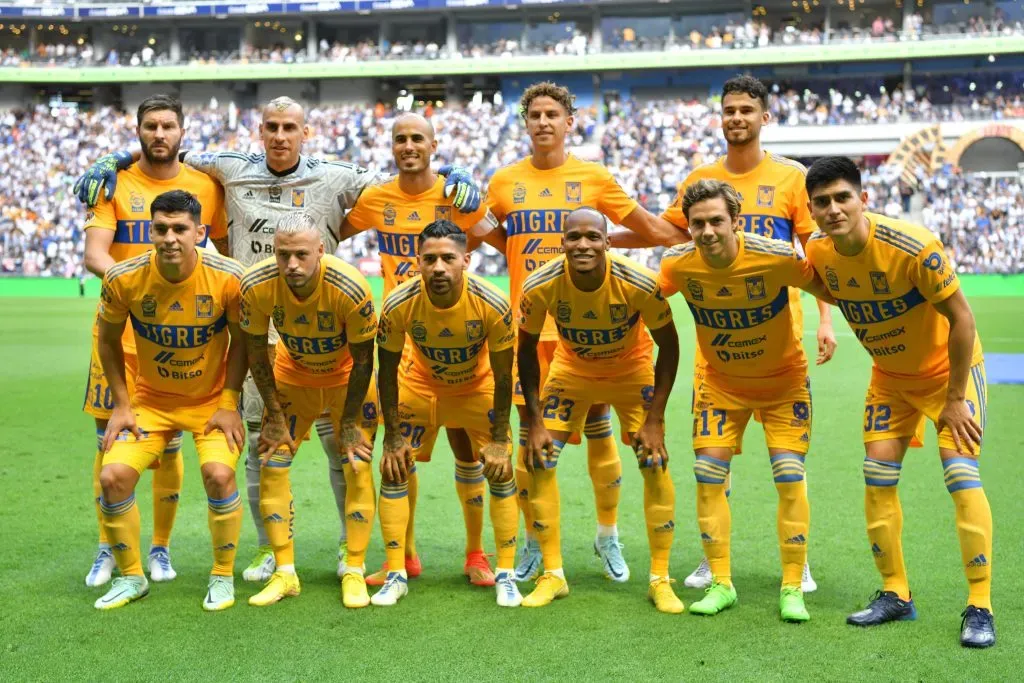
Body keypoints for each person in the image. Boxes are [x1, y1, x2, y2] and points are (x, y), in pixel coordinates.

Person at [74, 95, 481, 584]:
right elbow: (167, 154)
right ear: (259, 131)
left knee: (340, 444)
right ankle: (269, 548)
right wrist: (114, 160)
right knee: (258, 441)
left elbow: (406, 176)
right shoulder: (228, 167)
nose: (280, 135)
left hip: (323, 331)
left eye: (290, 127)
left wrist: (455, 171)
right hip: (254, 330)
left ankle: (345, 547)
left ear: (305, 133)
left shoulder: (336, 176)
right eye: (272, 127)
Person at [614, 75, 835, 592]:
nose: (737, 118)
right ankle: (714, 561)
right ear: (721, 118)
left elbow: (815, 252)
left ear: (764, 117)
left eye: (746, 110)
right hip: (717, 347)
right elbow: (668, 233)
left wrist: (826, 320)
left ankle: (796, 561)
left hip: (779, 340)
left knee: (788, 468)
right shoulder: (701, 177)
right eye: (729, 110)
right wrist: (604, 236)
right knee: (714, 464)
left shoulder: (791, 178)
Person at [487, 81, 684, 584]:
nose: (544, 122)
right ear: (525, 122)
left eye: (554, 114)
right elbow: (484, 233)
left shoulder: (594, 177)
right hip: (530, 330)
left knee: (600, 434)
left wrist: (610, 239)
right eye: (535, 114)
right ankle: (536, 540)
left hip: (592, 335)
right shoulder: (504, 182)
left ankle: (607, 533)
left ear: (570, 121)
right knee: (534, 441)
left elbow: (650, 229)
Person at [803, 156, 994, 648]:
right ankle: (896, 593)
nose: (833, 209)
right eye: (821, 202)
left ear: (863, 199)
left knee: (960, 475)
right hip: (890, 378)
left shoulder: (914, 246)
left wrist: (954, 399)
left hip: (950, 374)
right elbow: (818, 283)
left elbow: (963, 319)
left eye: (842, 197)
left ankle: (980, 605)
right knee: (878, 475)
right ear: (812, 209)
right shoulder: (819, 250)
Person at [340, 113, 505, 587]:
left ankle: (476, 554)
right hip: (402, 339)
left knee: (467, 449)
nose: (409, 146)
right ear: (391, 147)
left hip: (458, 339)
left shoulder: (456, 196)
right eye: (400, 139)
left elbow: (497, 237)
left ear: (435, 144)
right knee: (398, 453)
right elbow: (333, 230)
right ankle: (406, 556)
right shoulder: (377, 198)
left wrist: (471, 199)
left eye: (417, 138)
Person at [659, 180, 833, 622]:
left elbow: (832, 289)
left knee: (789, 476)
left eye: (717, 221)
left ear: (736, 221)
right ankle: (721, 583)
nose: (707, 231)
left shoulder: (774, 256)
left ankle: (792, 586)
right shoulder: (678, 265)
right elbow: (640, 299)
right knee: (707, 474)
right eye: (696, 223)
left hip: (783, 384)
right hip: (721, 386)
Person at [80, 94, 227, 588]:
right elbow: (94, 255)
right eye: (150, 126)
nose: (159, 134)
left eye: (168, 126)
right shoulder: (113, 182)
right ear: (137, 131)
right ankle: (109, 546)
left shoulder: (206, 185)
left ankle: (160, 549)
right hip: (121, 336)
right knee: (110, 444)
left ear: (182, 132)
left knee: (168, 447)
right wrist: (141, 282)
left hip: (185, 339)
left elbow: (222, 251)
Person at [517, 207, 682, 612]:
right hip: (572, 369)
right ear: (563, 243)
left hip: (631, 369)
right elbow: (524, 350)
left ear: (608, 242)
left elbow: (671, 345)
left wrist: (655, 419)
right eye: (574, 237)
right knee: (539, 459)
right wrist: (535, 421)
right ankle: (553, 574)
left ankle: (660, 578)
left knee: (653, 460)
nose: (583, 244)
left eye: (593, 236)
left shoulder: (638, 281)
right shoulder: (540, 285)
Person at [92, 190, 246, 611]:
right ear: (150, 231)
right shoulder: (123, 278)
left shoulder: (228, 276)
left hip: (209, 402)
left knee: (219, 475)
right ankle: (131, 577)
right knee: (112, 478)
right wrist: (121, 406)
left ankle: (222, 575)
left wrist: (230, 401)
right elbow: (107, 341)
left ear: (200, 232)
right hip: (150, 402)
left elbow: (244, 343)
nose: (170, 237)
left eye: (180, 228)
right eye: (160, 228)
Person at [373, 220, 520, 608]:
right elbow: (385, 370)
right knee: (394, 466)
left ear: (466, 260)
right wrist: (391, 435)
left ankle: (496, 566)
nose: (438, 267)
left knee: (500, 469)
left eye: (447, 258)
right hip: (421, 386)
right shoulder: (398, 302)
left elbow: (506, 374)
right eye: (430, 259)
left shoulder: (493, 302)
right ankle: (398, 568)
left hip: (477, 388)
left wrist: (502, 439)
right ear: (417, 262)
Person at [239, 213, 379, 609]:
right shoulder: (257, 284)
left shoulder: (350, 287)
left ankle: (354, 568)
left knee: (356, 464)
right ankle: (285, 573)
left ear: (321, 251)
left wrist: (350, 422)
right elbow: (254, 352)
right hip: (292, 377)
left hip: (346, 379)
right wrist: (274, 413)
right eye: (283, 255)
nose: (292, 265)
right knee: (272, 461)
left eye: (301, 254)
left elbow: (365, 359)